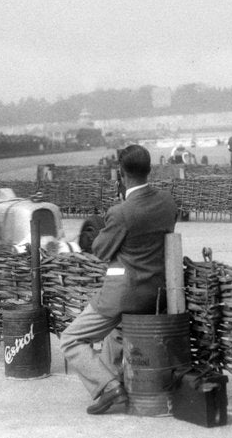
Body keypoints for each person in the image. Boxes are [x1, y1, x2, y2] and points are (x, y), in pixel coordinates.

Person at [59, 144, 179, 415]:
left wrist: (107, 225)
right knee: (115, 332)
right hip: (158, 292)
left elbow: (100, 250)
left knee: (70, 338)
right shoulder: (168, 203)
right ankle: (117, 382)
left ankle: (110, 387)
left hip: (125, 294)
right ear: (149, 170)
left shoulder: (121, 212)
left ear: (121, 175)